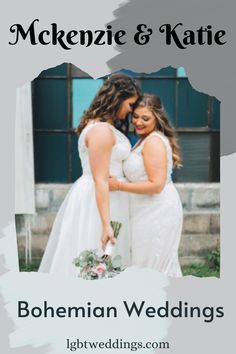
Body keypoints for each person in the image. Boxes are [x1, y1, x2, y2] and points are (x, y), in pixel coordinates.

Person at [38, 73, 140, 276]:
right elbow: (100, 178)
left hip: (109, 195)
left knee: (107, 261)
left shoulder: (101, 126)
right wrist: (105, 225)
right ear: (117, 98)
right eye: (130, 104)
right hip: (99, 200)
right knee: (97, 249)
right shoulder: (101, 131)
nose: (131, 110)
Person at [109, 94, 183, 277]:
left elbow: (156, 185)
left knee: (151, 264)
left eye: (145, 118)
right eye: (135, 116)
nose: (138, 122)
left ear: (157, 118)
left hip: (157, 210)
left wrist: (118, 185)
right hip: (143, 209)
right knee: (143, 262)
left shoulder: (154, 142)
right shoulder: (144, 139)